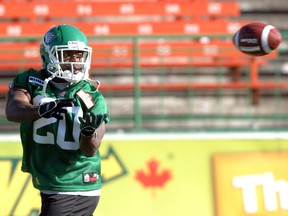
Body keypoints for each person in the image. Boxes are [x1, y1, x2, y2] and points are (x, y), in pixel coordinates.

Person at [5, 24, 110, 216]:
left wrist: (88, 132)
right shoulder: (30, 80)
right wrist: (43, 109)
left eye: (79, 55)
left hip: (73, 180)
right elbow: (14, 111)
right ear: (49, 55)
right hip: (54, 179)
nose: (75, 61)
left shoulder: (92, 95)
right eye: (68, 55)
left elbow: (90, 149)